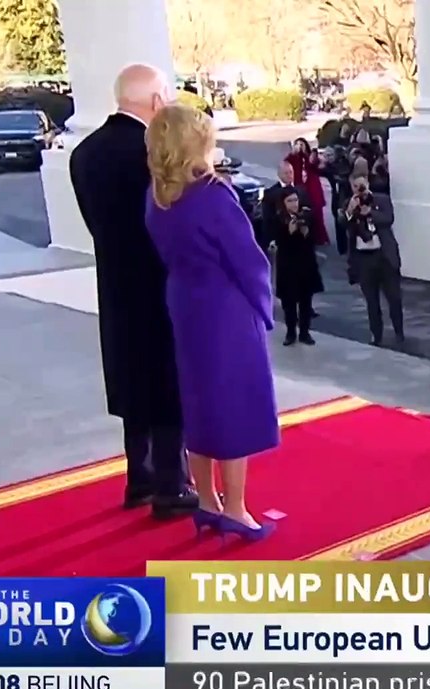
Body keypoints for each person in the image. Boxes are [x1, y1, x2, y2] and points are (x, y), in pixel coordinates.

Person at [144, 104, 279, 542]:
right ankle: (236, 510)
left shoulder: (158, 193)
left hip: (184, 302)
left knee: (198, 403)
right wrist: (263, 306)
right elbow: (248, 260)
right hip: (225, 309)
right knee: (233, 406)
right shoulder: (212, 194)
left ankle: (206, 501)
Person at [68, 63, 197, 519]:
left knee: (129, 377)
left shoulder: (83, 153)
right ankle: (171, 485)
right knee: (165, 382)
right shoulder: (151, 153)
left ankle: (139, 478)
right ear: (157, 100)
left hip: (115, 282)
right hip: (160, 283)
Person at [344, 173, 405, 346]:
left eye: (362, 186)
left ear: (368, 184)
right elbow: (344, 224)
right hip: (364, 259)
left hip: (384, 256)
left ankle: (399, 331)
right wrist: (351, 211)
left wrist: (370, 211)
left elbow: (388, 219)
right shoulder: (349, 204)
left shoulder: (382, 199)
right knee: (371, 301)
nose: (360, 190)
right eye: (356, 187)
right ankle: (376, 334)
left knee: (394, 298)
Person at [272, 187, 324, 347]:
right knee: (289, 303)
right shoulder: (278, 218)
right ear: (283, 203)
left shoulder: (307, 214)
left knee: (306, 301)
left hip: (305, 264)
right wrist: (288, 231)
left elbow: (315, 236)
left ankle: (304, 332)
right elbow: (277, 240)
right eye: (290, 201)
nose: (294, 204)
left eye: (295, 200)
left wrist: (305, 230)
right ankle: (290, 332)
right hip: (288, 266)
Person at [285, 138, 329, 245]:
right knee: (303, 214)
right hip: (300, 188)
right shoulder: (293, 158)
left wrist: (311, 157)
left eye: (302, 144)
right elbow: (286, 164)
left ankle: (321, 238)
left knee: (317, 214)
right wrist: (293, 153)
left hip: (313, 188)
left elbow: (317, 166)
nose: (300, 146)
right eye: (297, 144)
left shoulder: (310, 156)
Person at [262, 161, 310, 248]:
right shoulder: (270, 194)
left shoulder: (301, 190)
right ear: (279, 175)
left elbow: (309, 209)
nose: (289, 175)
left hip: (301, 238)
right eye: (286, 173)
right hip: (280, 240)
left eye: (291, 172)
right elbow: (267, 219)